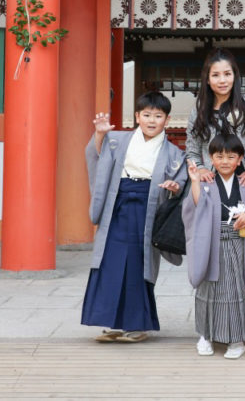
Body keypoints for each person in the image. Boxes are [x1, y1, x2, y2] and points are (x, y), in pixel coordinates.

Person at [81, 91, 188, 343]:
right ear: (137, 116)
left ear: (167, 119)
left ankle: (138, 324)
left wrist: (175, 187)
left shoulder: (174, 153)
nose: (152, 120)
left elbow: (180, 181)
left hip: (147, 207)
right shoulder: (117, 139)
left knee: (139, 264)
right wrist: (99, 134)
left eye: (158, 116)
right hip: (118, 205)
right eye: (147, 115)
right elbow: (95, 157)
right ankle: (114, 323)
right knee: (110, 260)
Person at [182, 133, 245, 360]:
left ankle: (237, 338)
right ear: (210, 158)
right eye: (219, 156)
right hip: (212, 246)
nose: (225, 161)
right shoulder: (206, 183)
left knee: (239, 290)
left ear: (240, 160)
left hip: (240, 247)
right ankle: (205, 335)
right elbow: (195, 208)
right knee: (209, 290)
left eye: (231, 156)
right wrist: (194, 182)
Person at [185, 48, 245, 190]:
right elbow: (192, 148)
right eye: (215, 75)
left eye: (227, 74)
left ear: (235, 76)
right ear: (208, 80)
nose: (222, 80)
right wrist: (200, 168)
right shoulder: (200, 109)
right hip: (211, 181)